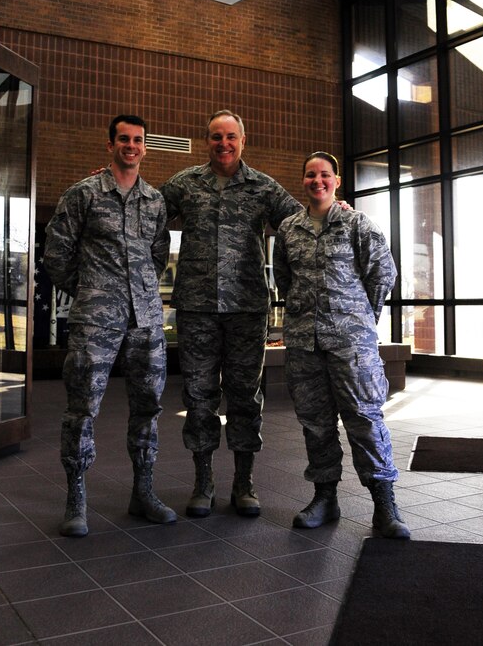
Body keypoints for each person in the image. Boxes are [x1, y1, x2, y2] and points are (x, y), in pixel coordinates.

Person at [160, 110, 303, 518]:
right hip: (197, 309)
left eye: (230, 137)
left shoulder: (262, 187)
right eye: (215, 137)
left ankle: (244, 483)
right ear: (207, 141)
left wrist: (334, 208)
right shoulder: (186, 184)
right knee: (199, 397)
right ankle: (203, 484)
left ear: (243, 140)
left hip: (246, 309)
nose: (223, 144)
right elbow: (145, 209)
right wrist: (112, 177)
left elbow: (299, 222)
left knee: (244, 396)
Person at [44, 114, 176, 537]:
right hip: (95, 322)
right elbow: (56, 256)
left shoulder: (154, 201)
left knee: (149, 408)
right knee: (83, 410)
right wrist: (91, 292)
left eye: (138, 140)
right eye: (124, 139)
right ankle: (76, 500)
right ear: (110, 145)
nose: (131, 146)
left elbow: (158, 256)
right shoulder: (83, 194)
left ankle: (143, 492)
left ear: (144, 146)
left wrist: (135, 292)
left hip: (146, 322)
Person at [273, 151, 410, 539]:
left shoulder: (356, 224)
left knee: (365, 420)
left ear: (336, 181)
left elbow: (383, 274)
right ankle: (324, 498)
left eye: (325, 175)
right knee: (315, 424)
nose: (317, 181)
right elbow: (285, 279)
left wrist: (360, 319)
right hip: (305, 342)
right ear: (303, 181)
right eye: (311, 175)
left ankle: (385, 506)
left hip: (352, 344)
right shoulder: (288, 228)